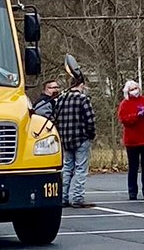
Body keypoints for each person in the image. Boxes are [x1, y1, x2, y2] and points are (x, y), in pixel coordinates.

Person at [52, 73, 95, 208]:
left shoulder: (61, 99)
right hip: (81, 138)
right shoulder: (83, 99)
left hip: (65, 138)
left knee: (67, 168)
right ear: (81, 84)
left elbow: (55, 118)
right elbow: (90, 120)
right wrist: (91, 134)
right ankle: (77, 198)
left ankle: (63, 197)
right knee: (81, 169)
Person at [117, 80, 144, 200]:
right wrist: (137, 115)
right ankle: (132, 191)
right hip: (132, 140)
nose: (135, 91)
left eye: (136, 88)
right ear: (127, 91)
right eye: (132, 89)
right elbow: (124, 119)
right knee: (133, 167)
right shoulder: (124, 104)